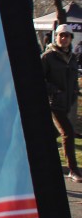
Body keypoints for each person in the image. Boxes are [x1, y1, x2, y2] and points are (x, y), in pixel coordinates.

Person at [41, 24, 81, 183]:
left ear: (71, 39)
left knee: (52, 134)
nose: (63, 38)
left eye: (67, 36)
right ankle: (73, 170)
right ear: (55, 37)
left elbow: (73, 80)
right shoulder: (48, 56)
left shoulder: (72, 58)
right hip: (53, 104)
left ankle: (33, 161)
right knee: (68, 133)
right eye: (61, 35)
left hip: (66, 104)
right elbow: (38, 78)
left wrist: (74, 93)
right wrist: (54, 91)